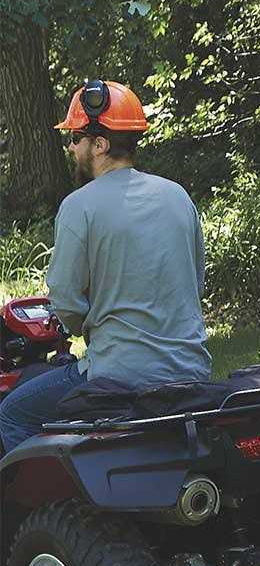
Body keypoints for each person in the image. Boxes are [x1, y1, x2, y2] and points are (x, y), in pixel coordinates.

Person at [0, 79, 212, 452]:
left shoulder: (79, 206)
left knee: (12, 412)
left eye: (76, 138)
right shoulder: (178, 197)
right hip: (190, 373)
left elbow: (65, 299)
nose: (70, 146)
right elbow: (195, 285)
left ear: (100, 144)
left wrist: (80, 325)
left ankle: (45, 510)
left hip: (119, 377)